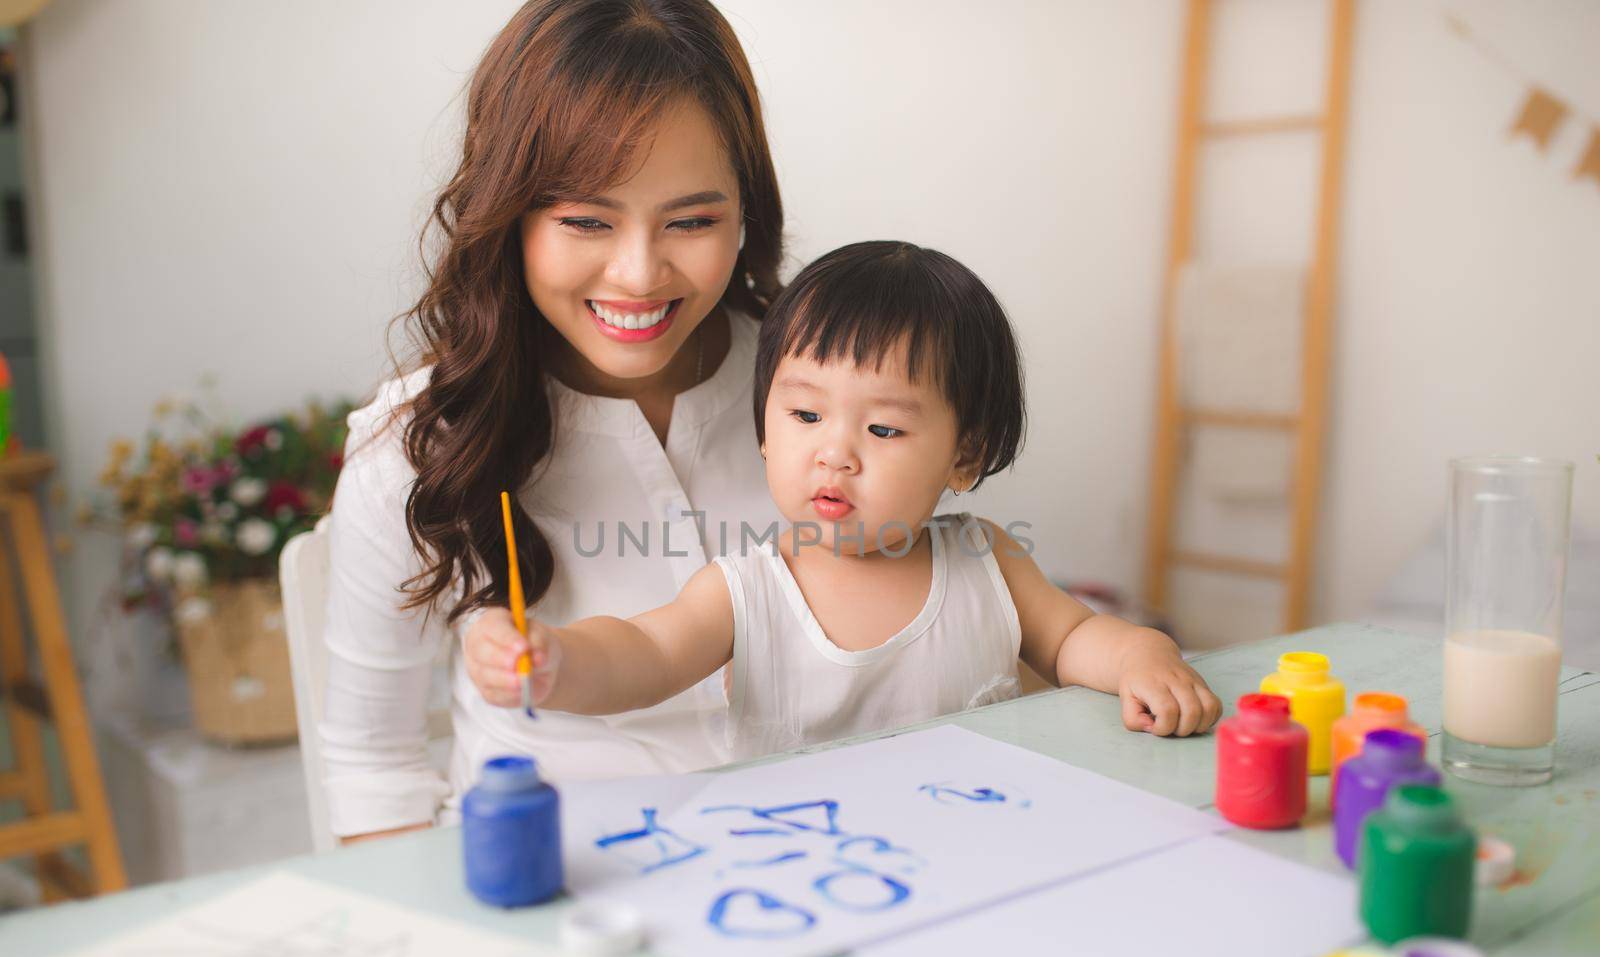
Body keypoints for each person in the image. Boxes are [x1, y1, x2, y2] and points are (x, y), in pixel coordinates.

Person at [320, 0, 785, 842]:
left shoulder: (820, 387)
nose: (639, 273)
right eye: (585, 220)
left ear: (746, 207)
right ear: (508, 214)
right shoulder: (417, 447)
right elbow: (371, 770)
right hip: (560, 903)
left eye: (692, 220)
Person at [465, 242, 1223, 757]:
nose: (835, 451)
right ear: (763, 429)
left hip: (979, 849)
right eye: (803, 416)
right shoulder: (747, 592)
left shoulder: (985, 560)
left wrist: (1142, 655)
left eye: (885, 427)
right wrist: (557, 661)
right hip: (810, 880)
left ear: (966, 455)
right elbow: (646, 652)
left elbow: (1071, 640)